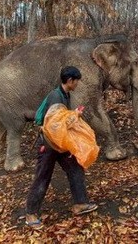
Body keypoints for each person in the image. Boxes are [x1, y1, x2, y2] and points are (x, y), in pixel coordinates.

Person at [25, 66, 98, 229]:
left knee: (75, 169)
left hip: (61, 143)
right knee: (43, 176)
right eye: (77, 81)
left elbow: (62, 120)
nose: (78, 83)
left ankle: (80, 203)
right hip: (49, 144)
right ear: (70, 80)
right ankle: (30, 213)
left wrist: (73, 114)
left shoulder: (65, 94)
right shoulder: (56, 97)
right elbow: (55, 125)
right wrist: (75, 115)